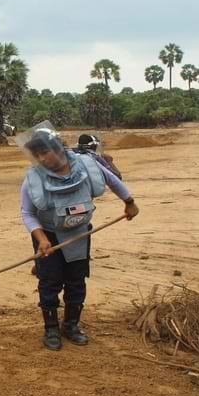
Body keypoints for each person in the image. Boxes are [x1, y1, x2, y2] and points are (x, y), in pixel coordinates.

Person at [19, 125, 138, 351]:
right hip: (49, 237)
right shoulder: (33, 179)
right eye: (38, 155)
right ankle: (51, 329)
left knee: (76, 280)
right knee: (50, 281)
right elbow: (27, 213)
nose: (43, 158)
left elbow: (112, 180)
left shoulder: (87, 166)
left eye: (46, 151)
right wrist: (41, 238)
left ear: (58, 147)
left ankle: (71, 326)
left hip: (79, 234)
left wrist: (129, 202)